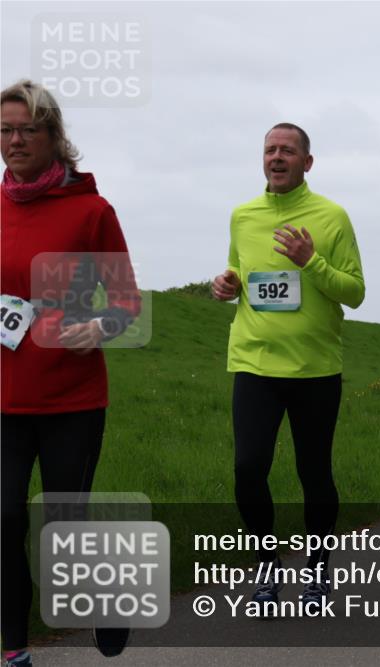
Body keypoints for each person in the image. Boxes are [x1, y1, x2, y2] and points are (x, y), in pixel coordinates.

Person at [2, 79, 141, 667]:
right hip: (5, 400)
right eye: (5, 131)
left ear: (54, 136)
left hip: (71, 399)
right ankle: (14, 650)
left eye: (26, 130)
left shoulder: (91, 211)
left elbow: (127, 300)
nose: (13, 141)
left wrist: (101, 326)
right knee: (5, 520)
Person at [211, 123, 364, 610]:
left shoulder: (332, 216)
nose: (277, 157)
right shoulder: (242, 215)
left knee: (313, 473)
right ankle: (267, 563)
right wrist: (228, 284)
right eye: (270, 150)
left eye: (288, 151)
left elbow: (354, 292)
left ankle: (318, 571)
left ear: (307, 163)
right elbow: (241, 272)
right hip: (254, 362)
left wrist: (311, 260)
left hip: (315, 368)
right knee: (247, 469)